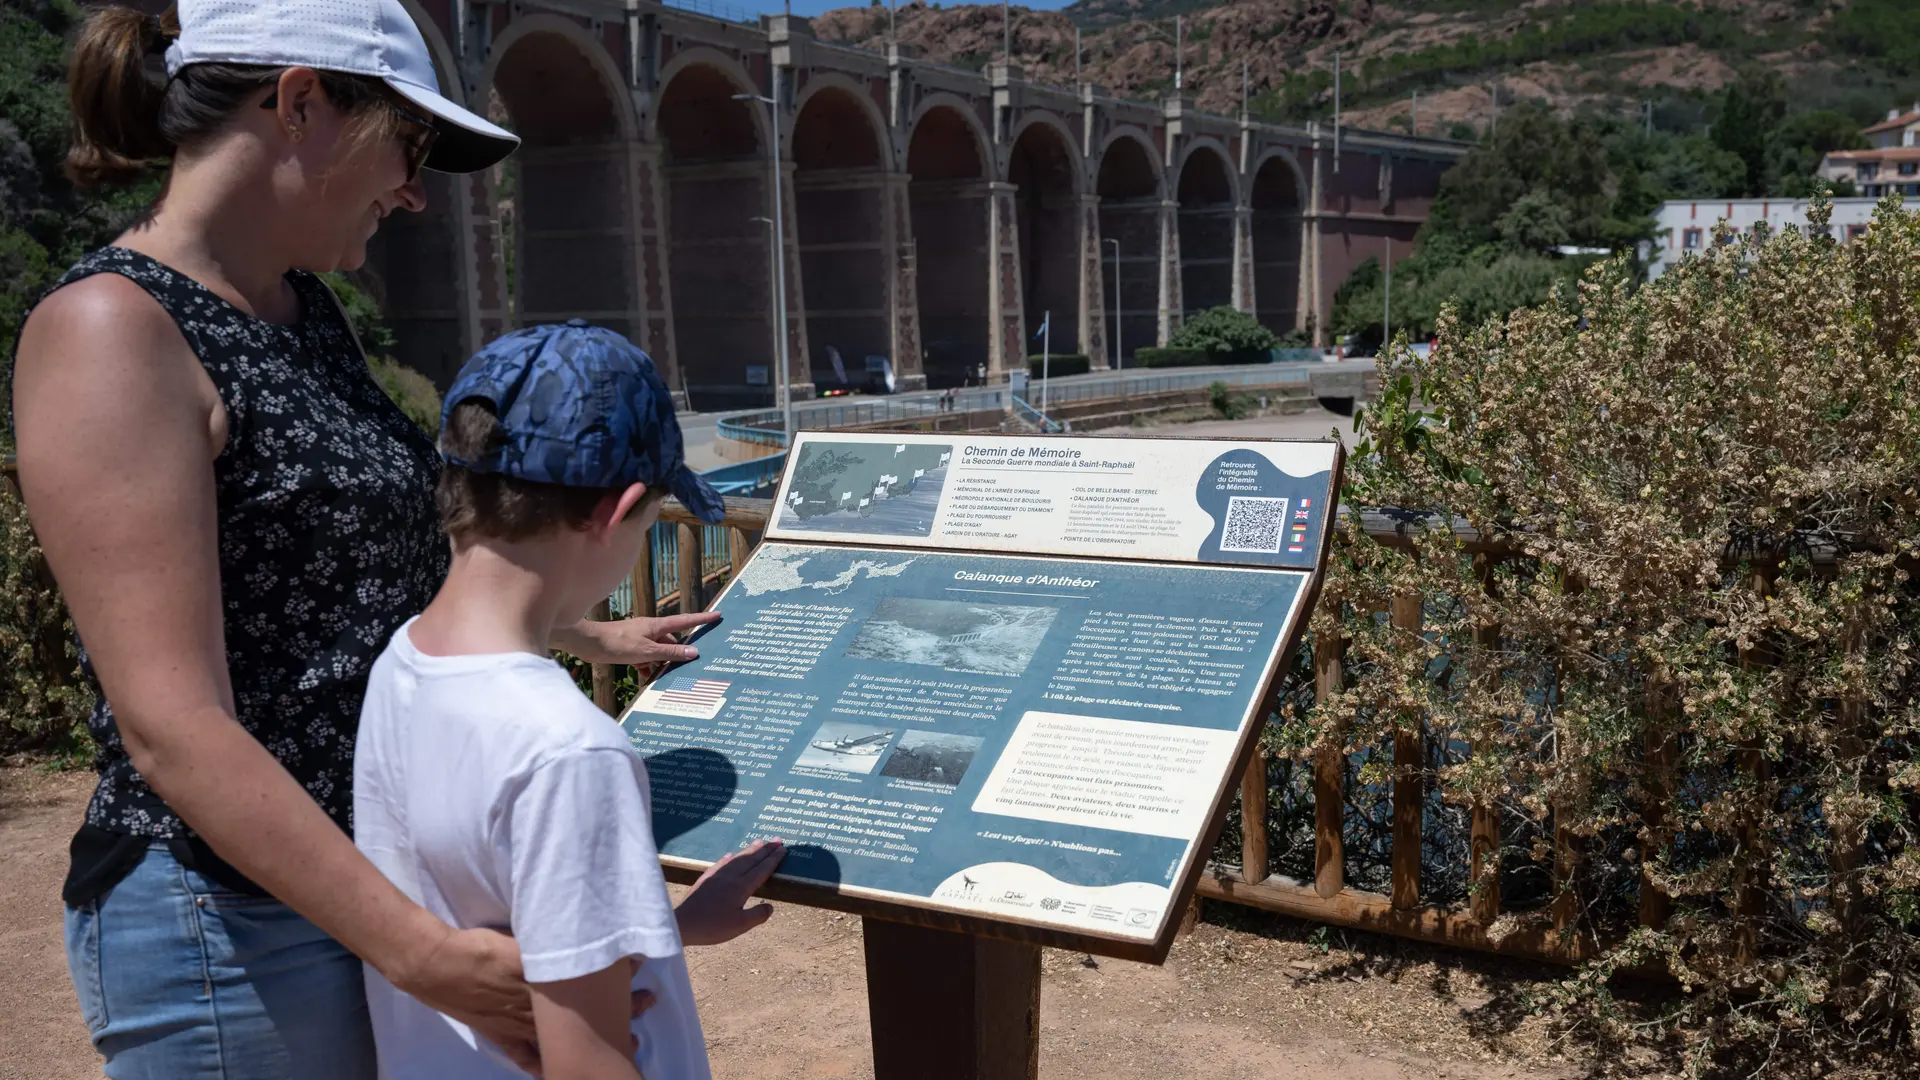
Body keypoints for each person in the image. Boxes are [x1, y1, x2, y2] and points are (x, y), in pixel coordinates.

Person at [12, 1, 715, 1074]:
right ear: (299, 104)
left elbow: (348, 581)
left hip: (355, 892)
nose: (415, 190)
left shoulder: (304, 310)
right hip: (233, 923)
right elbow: (171, 723)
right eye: (409, 144)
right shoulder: (110, 330)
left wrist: (579, 634)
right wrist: (421, 953)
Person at [355, 321, 785, 1079]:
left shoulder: (403, 663)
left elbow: (494, 912)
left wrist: (666, 928)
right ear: (614, 515)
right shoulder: (572, 752)